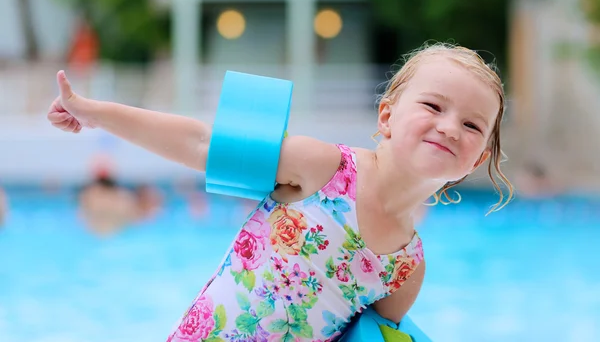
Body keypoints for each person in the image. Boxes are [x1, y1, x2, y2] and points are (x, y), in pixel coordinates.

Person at [47, 43, 513, 341]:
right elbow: (202, 143)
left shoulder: (407, 268)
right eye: (433, 105)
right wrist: (95, 114)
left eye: (472, 125)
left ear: (474, 161)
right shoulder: (325, 167)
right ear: (387, 117)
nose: (450, 127)